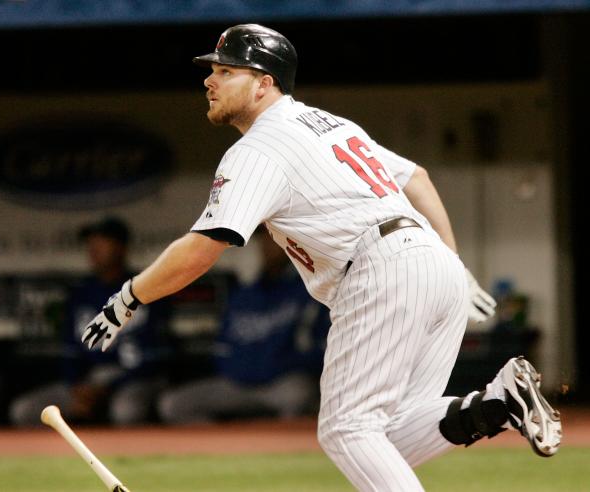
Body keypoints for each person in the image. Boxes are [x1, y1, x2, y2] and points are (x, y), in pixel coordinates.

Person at [80, 24, 561, 490]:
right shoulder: (329, 124)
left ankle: (500, 400)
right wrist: (452, 260)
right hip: (429, 264)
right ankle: (499, 402)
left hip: (379, 270)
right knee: (389, 437)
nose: (210, 79)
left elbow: (204, 248)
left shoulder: (259, 148)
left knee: (346, 429)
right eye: (213, 70)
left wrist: (128, 296)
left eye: (227, 71)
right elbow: (416, 177)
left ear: (264, 83)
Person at [9, 217, 170, 426]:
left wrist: (107, 388)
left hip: (133, 379)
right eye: (91, 242)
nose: (94, 248)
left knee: (126, 411)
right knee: (24, 410)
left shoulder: (145, 288)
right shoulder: (80, 295)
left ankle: (131, 458)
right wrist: (77, 387)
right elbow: (70, 353)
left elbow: (153, 360)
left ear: (121, 247)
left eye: (103, 241)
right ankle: (56, 458)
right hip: (88, 382)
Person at [158, 227, 328, 423]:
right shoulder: (243, 295)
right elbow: (222, 351)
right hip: (237, 384)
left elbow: (320, 349)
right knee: (173, 404)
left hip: (280, 385)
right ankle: (226, 449)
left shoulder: (310, 290)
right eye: (264, 239)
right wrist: (244, 371)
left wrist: (275, 366)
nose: (268, 246)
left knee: (300, 395)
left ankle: (279, 447)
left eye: (275, 240)